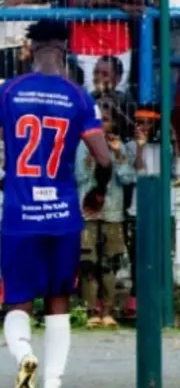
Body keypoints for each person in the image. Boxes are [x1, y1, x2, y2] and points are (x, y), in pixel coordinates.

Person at [0, 18, 113, 388]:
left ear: (29, 49)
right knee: (58, 302)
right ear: (65, 49)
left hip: (21, 213)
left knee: (17, 301)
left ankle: (24, 355)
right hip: (62, 214)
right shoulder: (79, 96)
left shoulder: (9, 91)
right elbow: (104, 160)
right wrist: (97, 192)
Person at [76, 97, 137, 328]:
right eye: (99, 119)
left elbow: (128, 178)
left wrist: (118, 155)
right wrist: (94, 157)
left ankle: (108, 310)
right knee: (88, 261)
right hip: (88, 212)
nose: (103, 124)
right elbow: (79, 177)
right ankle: (92, 310)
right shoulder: (82, 144)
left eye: (107, 119)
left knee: (110, 261)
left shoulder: (120, 145)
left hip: (113, 211)